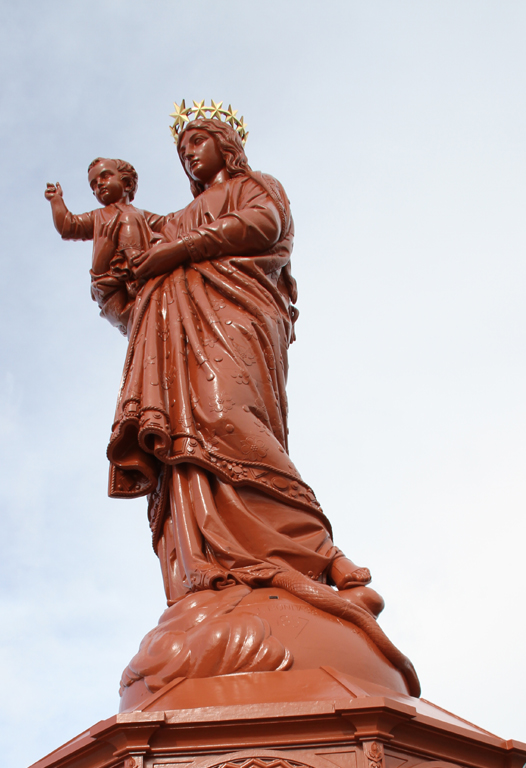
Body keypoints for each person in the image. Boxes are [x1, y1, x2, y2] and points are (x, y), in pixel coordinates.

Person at [88, 112, 418, 697]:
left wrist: (173, 255)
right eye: (182, 149)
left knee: (227, 416)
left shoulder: (254, 186)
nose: (189, 155)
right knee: (187, 453)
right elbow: (127, 292)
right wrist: (113, 253)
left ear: (226, 145)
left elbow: (262, 228)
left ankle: (318, 552)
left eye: (198, 142)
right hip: (178, 343)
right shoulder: (168, 221)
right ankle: (212, 575)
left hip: (236, 319)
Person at [46, 158, 156, 334]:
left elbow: (170, 223)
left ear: (127, 183)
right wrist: (55, 200)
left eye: (105, 177)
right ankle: (138, 266)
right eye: (94, 185)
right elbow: (68, 225)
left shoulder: (141, 215)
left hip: (134, 287)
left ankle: (139, 269)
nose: (99, 185)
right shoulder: (98, 216)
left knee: (132, 218)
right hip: (108, 287)